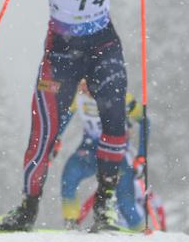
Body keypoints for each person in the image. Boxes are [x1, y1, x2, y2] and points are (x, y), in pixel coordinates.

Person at [0, 0, 175, 232]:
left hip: (103, 46)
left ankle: (104, 209)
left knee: (115, 123)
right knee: (42, 133)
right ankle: (27, 209)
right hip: (61, 53)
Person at [59, 81, 152, 230]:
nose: (84, 88)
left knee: (125, 203)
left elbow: (144, 121)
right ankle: (71, 222)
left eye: (87, 83)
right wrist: (55, 140)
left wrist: (141, 156)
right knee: (69, 175)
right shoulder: (78, 98)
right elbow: (62, 120)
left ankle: (140, 230)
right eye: (81, 83)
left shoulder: (122, 98)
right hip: (89, 151)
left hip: (117, 153)